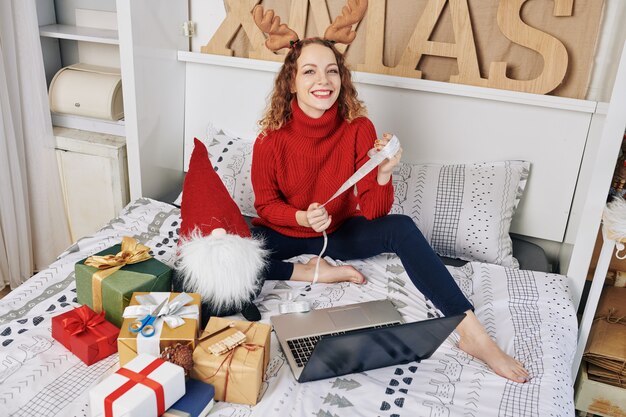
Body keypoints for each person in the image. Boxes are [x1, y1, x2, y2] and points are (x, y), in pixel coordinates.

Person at [249, 37, 529, 383]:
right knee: (229, 248)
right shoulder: (270, 138)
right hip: (287, 233)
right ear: (291, 82)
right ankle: (308, 272)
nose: (323, 81)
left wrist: (383, 172)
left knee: (402, 227)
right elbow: (265, 204)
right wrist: (300, 218)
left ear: (342, 78)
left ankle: (473, 333)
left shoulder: (358, 128)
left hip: (338, 233)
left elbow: (375, 211)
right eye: (309, 71)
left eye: (331, 71)